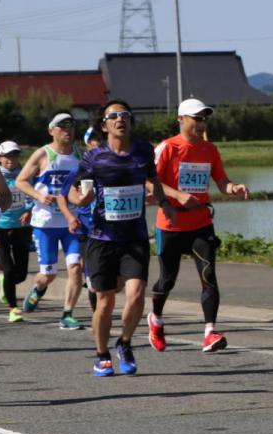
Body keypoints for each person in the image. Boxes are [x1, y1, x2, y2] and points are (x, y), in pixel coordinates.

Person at [68, 100, 175, 377]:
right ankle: (101, 354)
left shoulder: (143, 150)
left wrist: (163, 203)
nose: (120, 119)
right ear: (104, 125)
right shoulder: (95, 157)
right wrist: (80, 199)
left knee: (137, 294)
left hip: (134, 237)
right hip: (102, 237)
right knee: (104, 300)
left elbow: (152, 179)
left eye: (125, 115)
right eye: (113, 116)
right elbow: (73, 190)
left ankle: (124, 343)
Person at [148, 98, 250, 355]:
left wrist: (233, 188)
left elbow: (222, 181)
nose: (202, 123)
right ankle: (156, 319)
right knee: (167, 280)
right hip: (170, 223)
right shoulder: (167, 148)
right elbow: (149, 183)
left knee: (208, 277)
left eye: (205, 118)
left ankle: (209, 332)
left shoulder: (209, 149)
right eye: (197, 118)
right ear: (181, 119)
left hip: (201, 223)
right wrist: (178, 195)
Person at [15, 111, 85, 329]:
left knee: (76, 267)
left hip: (71, 221)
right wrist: (38, 196)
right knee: (49, 274)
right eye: (62, 126)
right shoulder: (43, 154)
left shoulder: (80, 154)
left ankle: (67, 314)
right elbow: (21, 181)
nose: (67, 130)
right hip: (45, 223)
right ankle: (39, 288)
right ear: (51, 131)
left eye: (71, 126)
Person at [58, 128, 101, 314]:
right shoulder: (80, 168)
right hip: (86, 229)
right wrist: (69, 216)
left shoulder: (116, 165)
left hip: (110, 229)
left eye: (100, 139)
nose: (97, 143)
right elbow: (62, 195)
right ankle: (98, 317)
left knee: (113, 280)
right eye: (93, 140)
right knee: (93, 279)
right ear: (87, 144)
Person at [0, 141, 32, 323]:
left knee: (21, 273)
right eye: (7, 156)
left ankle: (5, 284)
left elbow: (32, 195)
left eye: (15, 155)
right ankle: (13, 308)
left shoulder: (23, 175)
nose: (11, 160)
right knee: (8, 269)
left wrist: (28, 210)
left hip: (21, 227)